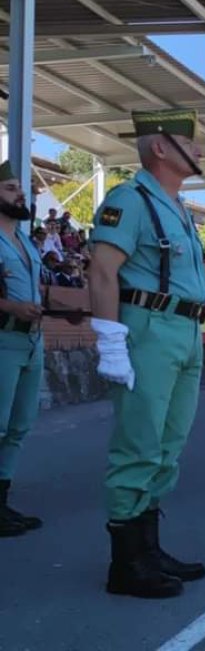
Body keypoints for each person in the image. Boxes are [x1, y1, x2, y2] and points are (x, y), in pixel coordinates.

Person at [88, 108, 205, 598]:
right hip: (149, 328)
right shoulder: (131, 200)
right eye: (189, 140)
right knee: (138, 444)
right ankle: (125, 564)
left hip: (182, 328)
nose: (199, 150)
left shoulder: (176, 207)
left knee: (168, 445)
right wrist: (110, 340)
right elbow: (102, 270)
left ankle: (148, 547)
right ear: (160, 147)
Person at [0, 160, 45, 538]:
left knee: (19, 425)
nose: (21, 194)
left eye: (20, 188)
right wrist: (13, 307)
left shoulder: (26, 241)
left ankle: (2, 501)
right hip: (4, 338)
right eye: (11, 188)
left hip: (32, 340)